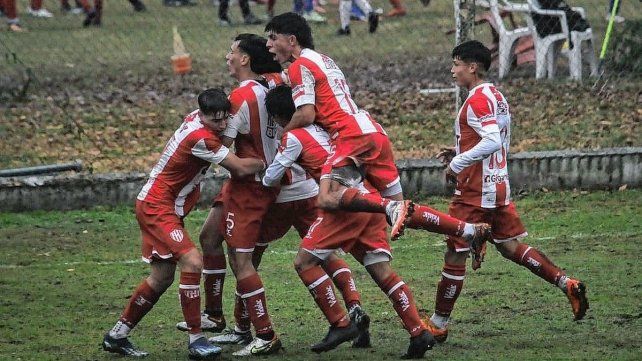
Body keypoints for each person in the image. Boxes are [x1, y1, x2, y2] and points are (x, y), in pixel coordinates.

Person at [264, 13, 492, 248]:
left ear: (292, 40)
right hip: (372, 131)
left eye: (273, 38)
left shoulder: (299, 66)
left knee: (328, 196)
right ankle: (469, 231)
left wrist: (283, 136)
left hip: (349, 135)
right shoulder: (322, 59)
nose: (269, 44)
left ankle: (390, 208)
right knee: (406, 210)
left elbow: (306, 114)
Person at [420, 40, 589, 343]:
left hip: (474, 191)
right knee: (510, 248)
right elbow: (498, 140)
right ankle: (567, 283)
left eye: (456, 64)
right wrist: (460, 149)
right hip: (498, 186)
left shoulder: (476, 100)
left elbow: (493, 141)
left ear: (472, 67)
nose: (452, 70)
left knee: (454, 254)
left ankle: (438, 323)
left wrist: (458, 162)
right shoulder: (496, 96)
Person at [261, 84, 434, 358]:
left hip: (342, 206)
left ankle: (341, 323)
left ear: (279, 118)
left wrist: (265, 171)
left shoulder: (292, 136)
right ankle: (418, 331)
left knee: (304, 262)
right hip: (369, 200)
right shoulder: (328, 128)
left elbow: (271, 178)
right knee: (381, 271)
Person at [101, 88, 267, 359]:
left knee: (162, 277)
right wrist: (266, 159)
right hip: (157, 207)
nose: (222, 125)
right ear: (201, 115)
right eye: (216, 120)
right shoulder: (200, 138)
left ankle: (117, 335)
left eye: (226, 118)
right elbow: (237, 167)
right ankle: (196, 339)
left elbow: (224, 137)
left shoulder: (196, 121)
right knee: (192, 262)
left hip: (161, 206)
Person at [178, 33, 284, 357]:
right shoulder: (271, 85)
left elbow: (222, 146)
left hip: (251, 184)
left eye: (231, 52)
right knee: (210, 237)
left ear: (245, 59)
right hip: (248, 182)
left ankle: (263, 333)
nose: (227, 57)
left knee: (242, 260)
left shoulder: (240, 97)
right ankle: (216, 318)